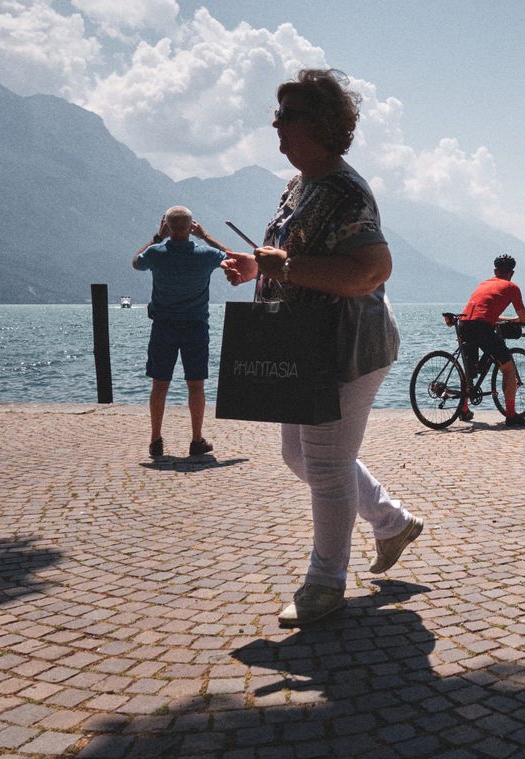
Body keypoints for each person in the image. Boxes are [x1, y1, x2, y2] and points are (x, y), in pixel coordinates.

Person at [221, 69, 423, 628]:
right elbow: (289, 258)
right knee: (299, 455)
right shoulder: (301, 185)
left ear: (321, 124)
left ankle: (325, 583)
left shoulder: (344, 190)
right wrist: (253, 269)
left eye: (286, 116)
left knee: (327, 463)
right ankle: (391, 522)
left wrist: (290, 267)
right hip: (303, 343)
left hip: (345, 346)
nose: (276, 126)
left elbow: (372, 269)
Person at [132, 206, 230, 457]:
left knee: (159, 384)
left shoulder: (155, 253)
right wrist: (205, 235)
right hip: (196, 327)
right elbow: (231, 256)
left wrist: (157, 237)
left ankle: (155, 440)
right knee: (196, 385)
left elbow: (135, 262)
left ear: (166, 225)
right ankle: (197, 440)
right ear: (191, 227)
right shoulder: (206, 255)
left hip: (163, 326)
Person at [455, 254, 525, 426]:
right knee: (508, 369)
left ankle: (464, 409)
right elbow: (523, 316)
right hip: (482, 327)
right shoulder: (512, 287)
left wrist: (511, 320)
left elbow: (485, 313)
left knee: (470, 370)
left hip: (463, 323)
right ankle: (511, 415)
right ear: (511, 273)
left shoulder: (484, 284)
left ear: (495, 271)